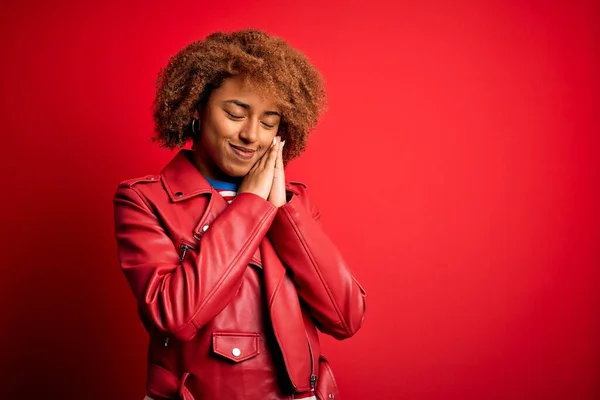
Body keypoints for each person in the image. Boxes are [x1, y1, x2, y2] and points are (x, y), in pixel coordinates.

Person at [113, 28, 367, 400]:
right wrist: (250, 206)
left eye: (269, 122)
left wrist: (283, 213)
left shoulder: (293, 203)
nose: (251, 135)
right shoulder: (145, 199)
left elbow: (345, 318)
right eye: (235, 113)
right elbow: (176, 316)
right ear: (196, 107)